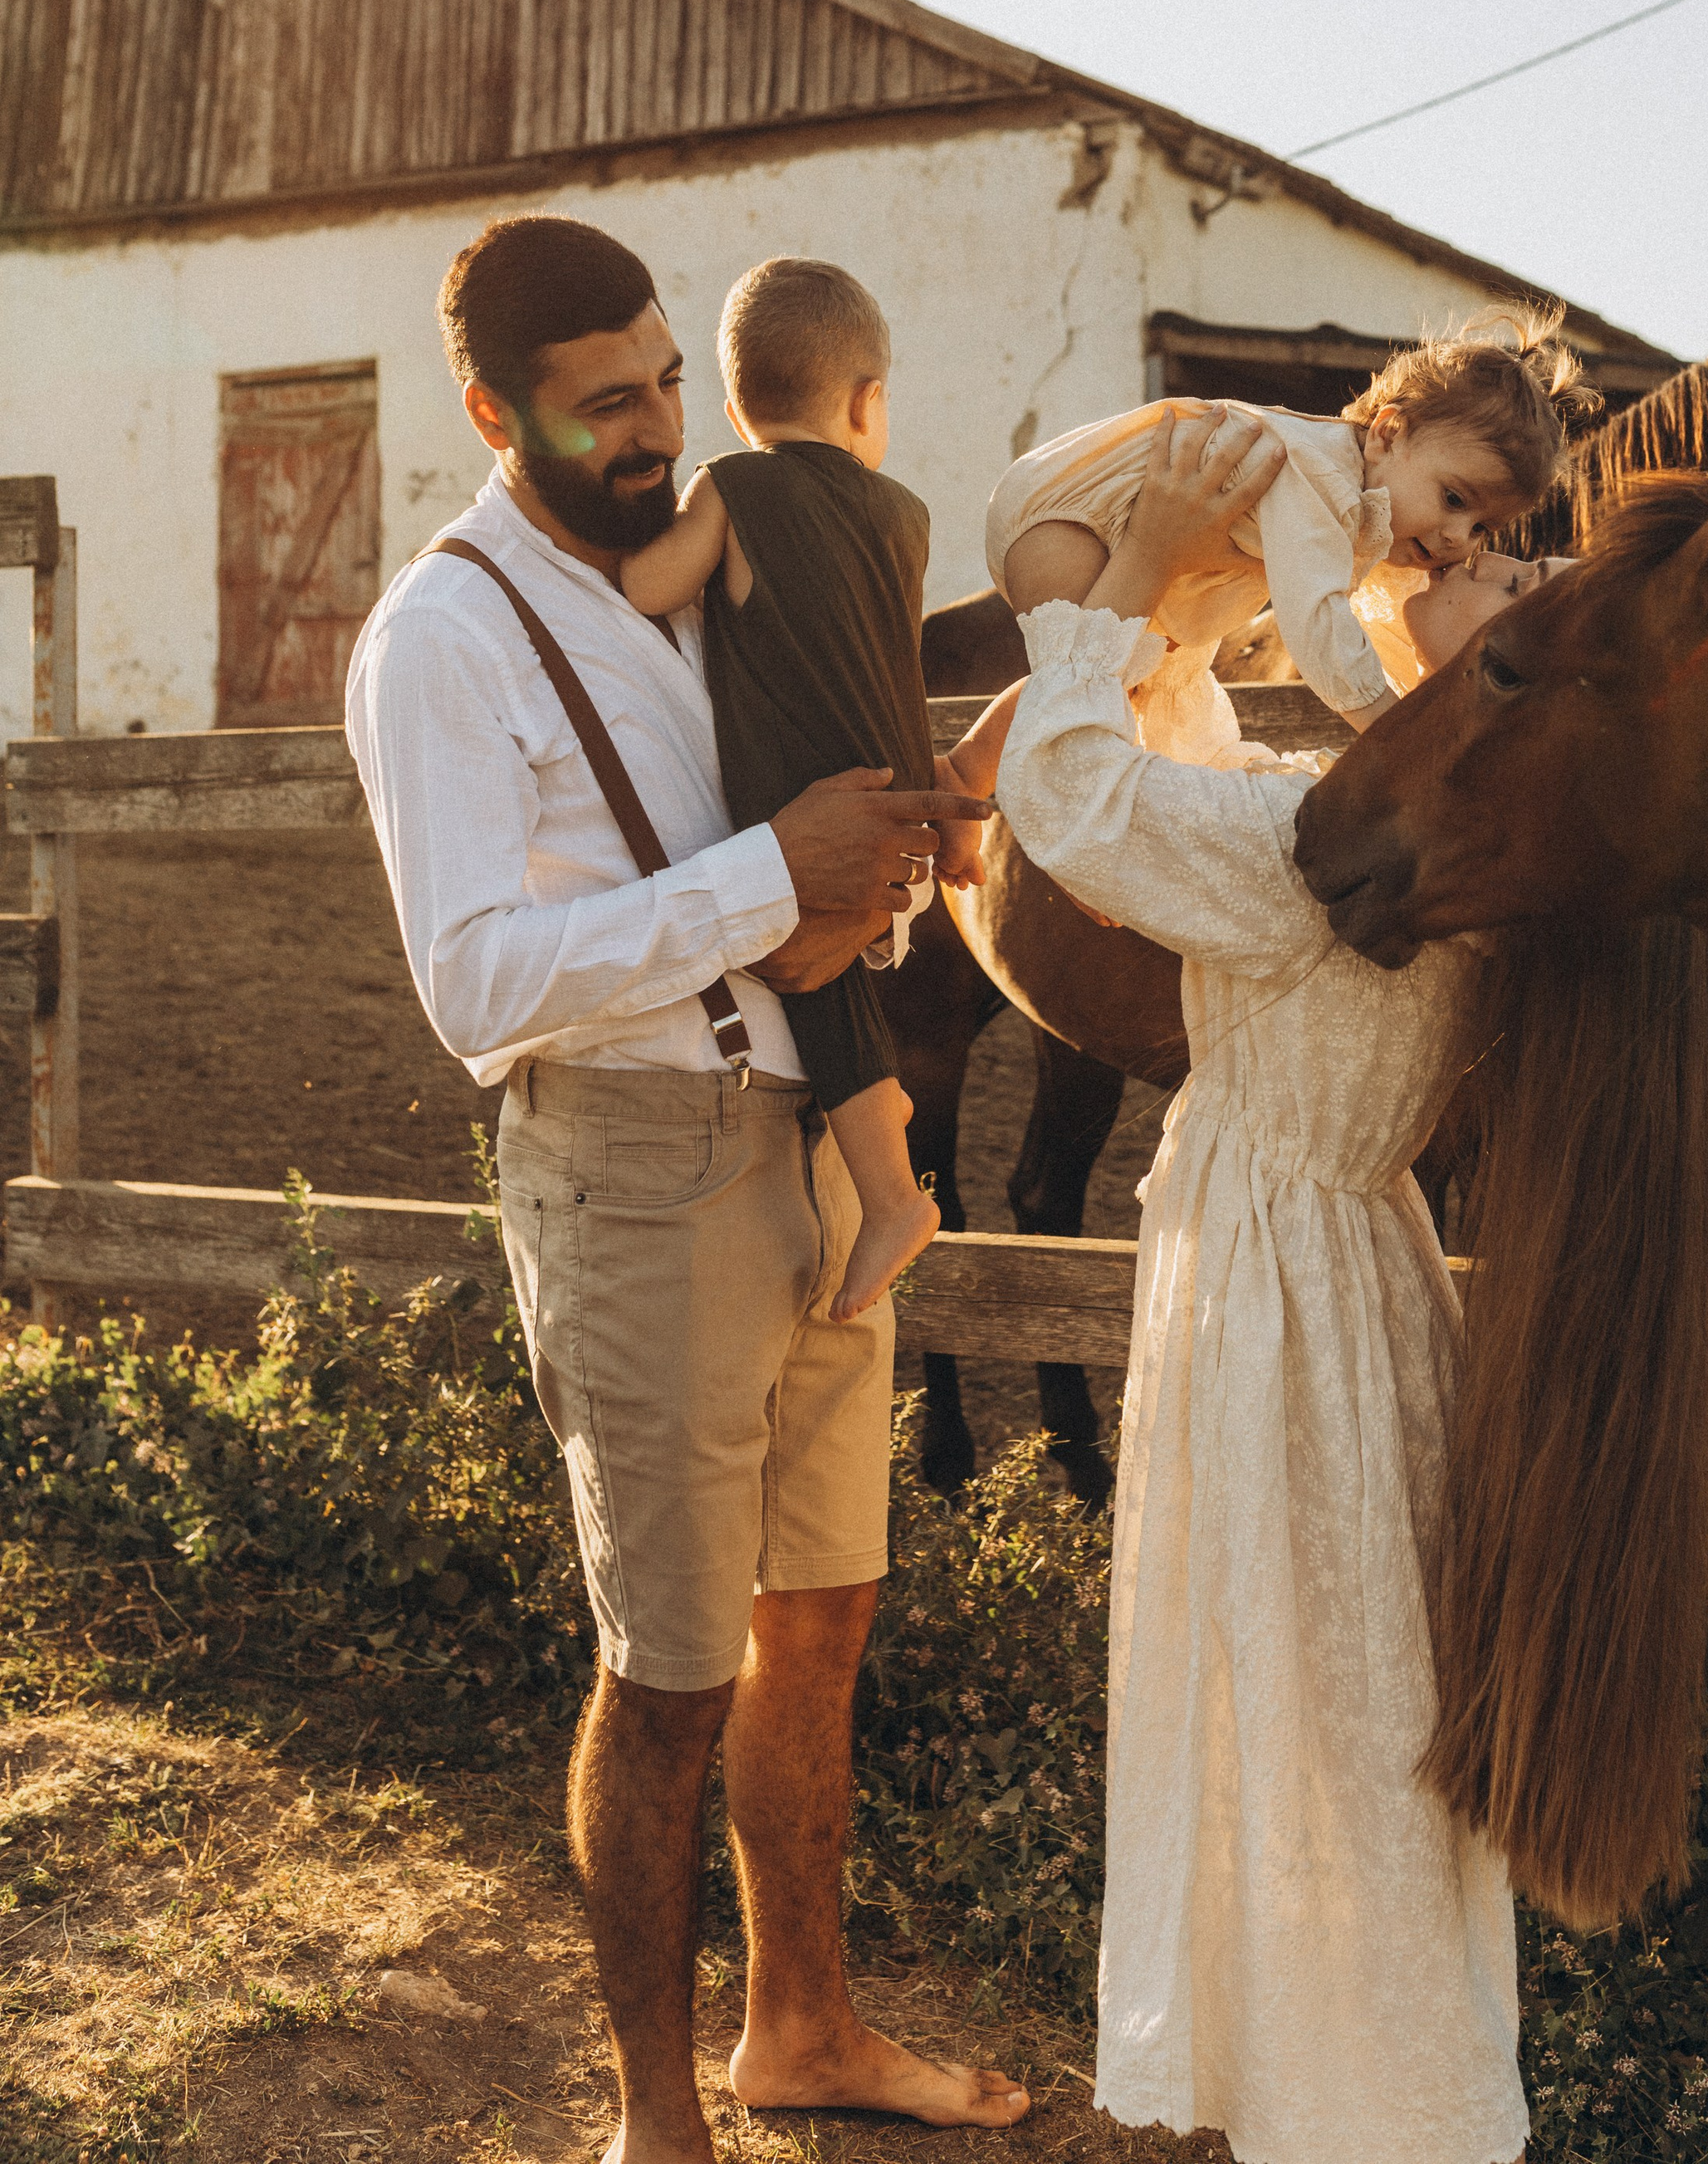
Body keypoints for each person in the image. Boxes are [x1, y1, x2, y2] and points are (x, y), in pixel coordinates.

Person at [345, 213, 1028, 2162]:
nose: (653, 426)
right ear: (492, 414)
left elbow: (792, 818)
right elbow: (474, 981)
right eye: (600, 405)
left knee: (821, 1612)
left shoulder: (698, 570)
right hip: (631, 1176)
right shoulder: (441, 636)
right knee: (666, 1668)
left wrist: (878, 868)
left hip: (808, 1148)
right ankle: (661, 2123)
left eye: (663, 378)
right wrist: (768, 882)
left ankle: (800, 2028)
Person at [992, 405, 1531, 2164]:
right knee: (1353, 1686)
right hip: (1363, 1280)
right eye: (1466, 528)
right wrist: (1233, 606)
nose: (1468, 556)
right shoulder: (1463, 839)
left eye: (1510, 566)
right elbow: (1196, 759)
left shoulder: (1327, 855)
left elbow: (1068, 796)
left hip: (1269, 1293)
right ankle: (1375, 2081)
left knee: (1284, 1688)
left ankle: (1333, 2101)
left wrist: (1136, 577)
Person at [619, 254, 1007, 1324]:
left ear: (736, 407)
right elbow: (893, 653)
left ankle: (891, 1196)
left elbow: (649, 588)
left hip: (806, 798)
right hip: (899, 786)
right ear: (866, 402)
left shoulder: (733, 488)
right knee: (845, 976)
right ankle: (889, 1194)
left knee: (816, 979)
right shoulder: (906, 512)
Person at [984, 315, 1596, 768]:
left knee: (1127, 682)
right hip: (1073, 516)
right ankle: (1074, 841)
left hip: (1140, 568)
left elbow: (1387, 626)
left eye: (1483, 527)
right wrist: (1388, 729)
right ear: (1388, 434)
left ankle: (972, 764)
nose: (1461, 538)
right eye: (1455, 500)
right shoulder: (1321, 477)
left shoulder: (1374, 513)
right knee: (1081, 692)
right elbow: (1317, 623)